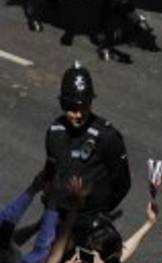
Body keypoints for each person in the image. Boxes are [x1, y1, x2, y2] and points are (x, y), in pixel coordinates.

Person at [42, 63, 131, 227]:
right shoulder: (55, 132)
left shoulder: (107, 136)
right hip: (59, 220)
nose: (78, 114)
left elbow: (122, 183)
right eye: (72, 108)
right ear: (63, 105)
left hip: (91, 224)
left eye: (84, 107)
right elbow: (51, 170)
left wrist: (100, 212)